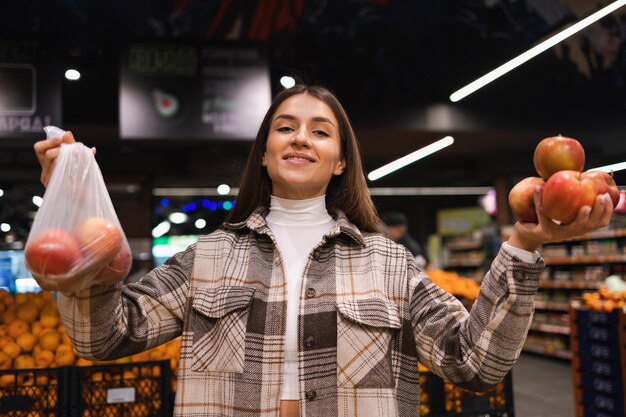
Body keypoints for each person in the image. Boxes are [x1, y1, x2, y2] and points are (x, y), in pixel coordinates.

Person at [33, 84, 613, 417]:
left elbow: (477, 364)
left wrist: (525, 246)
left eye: (319, 129)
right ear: (264, 154)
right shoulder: (208, 257)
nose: (300, 137)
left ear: (340, 161)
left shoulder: (389, 265)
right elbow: (104, 337)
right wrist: (77, 217)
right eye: (284, 127)